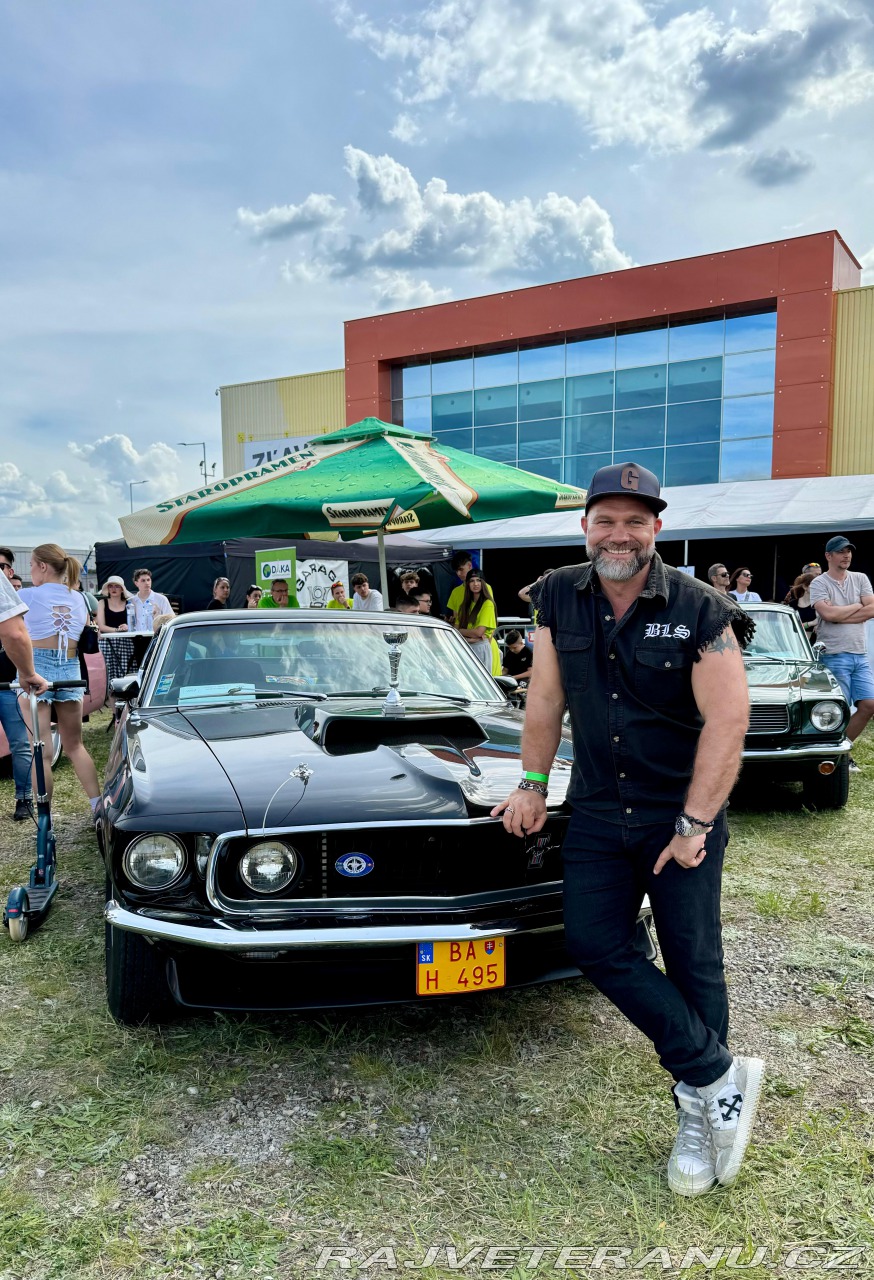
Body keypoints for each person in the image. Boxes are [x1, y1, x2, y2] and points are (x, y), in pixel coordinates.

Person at [492, 461, 763, 1199]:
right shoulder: (556, 595)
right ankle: (717, 1076)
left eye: (635, 521)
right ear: (585, 527)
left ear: (656, 529)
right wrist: (531, 783)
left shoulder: (701, 608)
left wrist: (695, 823)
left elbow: (729, 719)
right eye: (606, 520)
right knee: (593, 943)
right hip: (597, 808)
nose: (620, 534)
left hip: (679, 814)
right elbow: (544, 699)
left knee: (692, 958)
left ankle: (697, 1117)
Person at [19, 544, 100, 810]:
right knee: (75, 746)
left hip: (36, 667)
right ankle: (97, 807)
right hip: (70, 668)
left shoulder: (27, 595)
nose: (31, 570)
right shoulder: (81, 598)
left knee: (40, 751)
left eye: (32, 564)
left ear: (43, 566)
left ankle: (46, 819)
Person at [809, 536, 874, 773]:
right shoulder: (819, 582)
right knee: (839, 710)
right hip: (834, 654)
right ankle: (838, 756)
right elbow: (828, 615)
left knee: (869, 705)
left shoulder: (860, 578)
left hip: (859, 654)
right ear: (828, 556)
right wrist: (857, 605)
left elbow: (872, 609)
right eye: (840, 551)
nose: (846, 555)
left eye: (848, 551)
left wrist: (840, 614)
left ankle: (840, 753)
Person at [0, 547, 46, 819]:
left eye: (2, 566)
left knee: (19, 744)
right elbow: (15, 635)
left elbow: (22, 636)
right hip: (16, 681)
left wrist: (26, 673)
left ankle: (24, 798)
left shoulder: (20, 601)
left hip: (9, 684)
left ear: (10, 571)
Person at [453, 571, 498, 670]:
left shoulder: (487, 603)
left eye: (478, 580)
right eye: (472, 581)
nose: (475, 584)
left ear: (483, 583)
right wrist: (469, 637)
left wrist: (460, 631)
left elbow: (479, 632)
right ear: (467, 584)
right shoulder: (464, 605)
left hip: (480, 647)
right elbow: (455, 630)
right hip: (464, 646)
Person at [783, 572, 818, 637]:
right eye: (814, 585)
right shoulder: (792, 605)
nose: (818, 588)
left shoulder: (818, 605)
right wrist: (811, 623)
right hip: (795, 640)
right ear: (805, 587)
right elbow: (789, 626)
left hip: (814, 641)